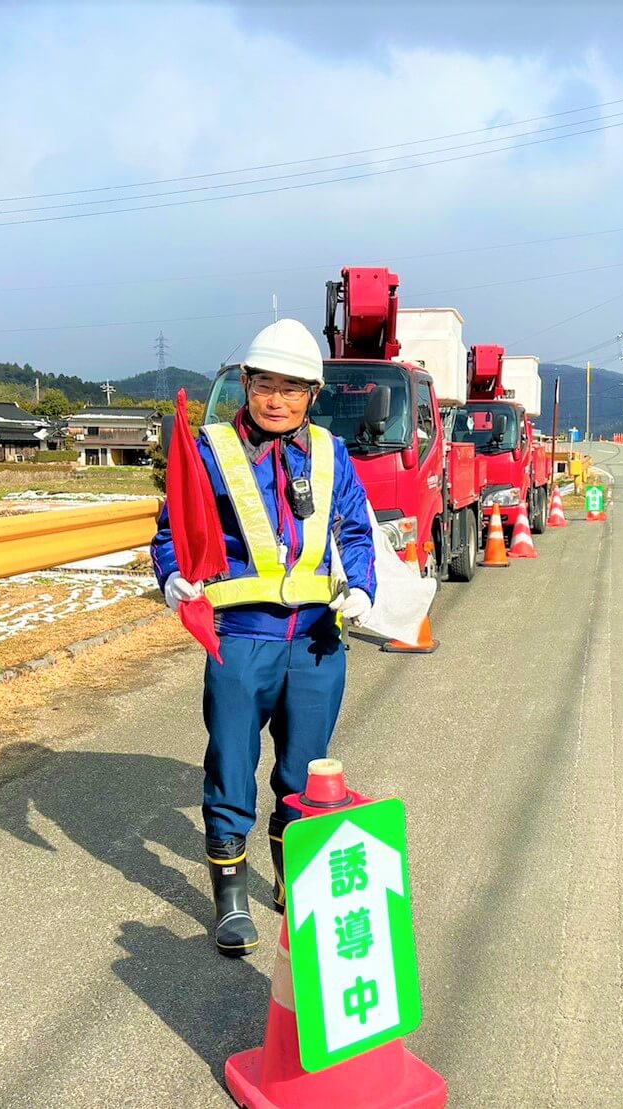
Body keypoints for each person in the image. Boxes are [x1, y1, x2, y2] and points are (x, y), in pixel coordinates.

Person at [152, 319, 377, 957]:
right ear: (245, 385)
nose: (276, 400)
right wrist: (173, 577)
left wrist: (362, 585)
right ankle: (230, 899)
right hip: (241, 639)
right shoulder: (211, 450)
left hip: (316, 640)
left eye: (292, 388)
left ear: (312, 394)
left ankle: (292, 882)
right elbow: (173, 529)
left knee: (305, 770)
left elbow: (355, 529)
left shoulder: (331, 453)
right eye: (264, 385)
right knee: (230, 763)